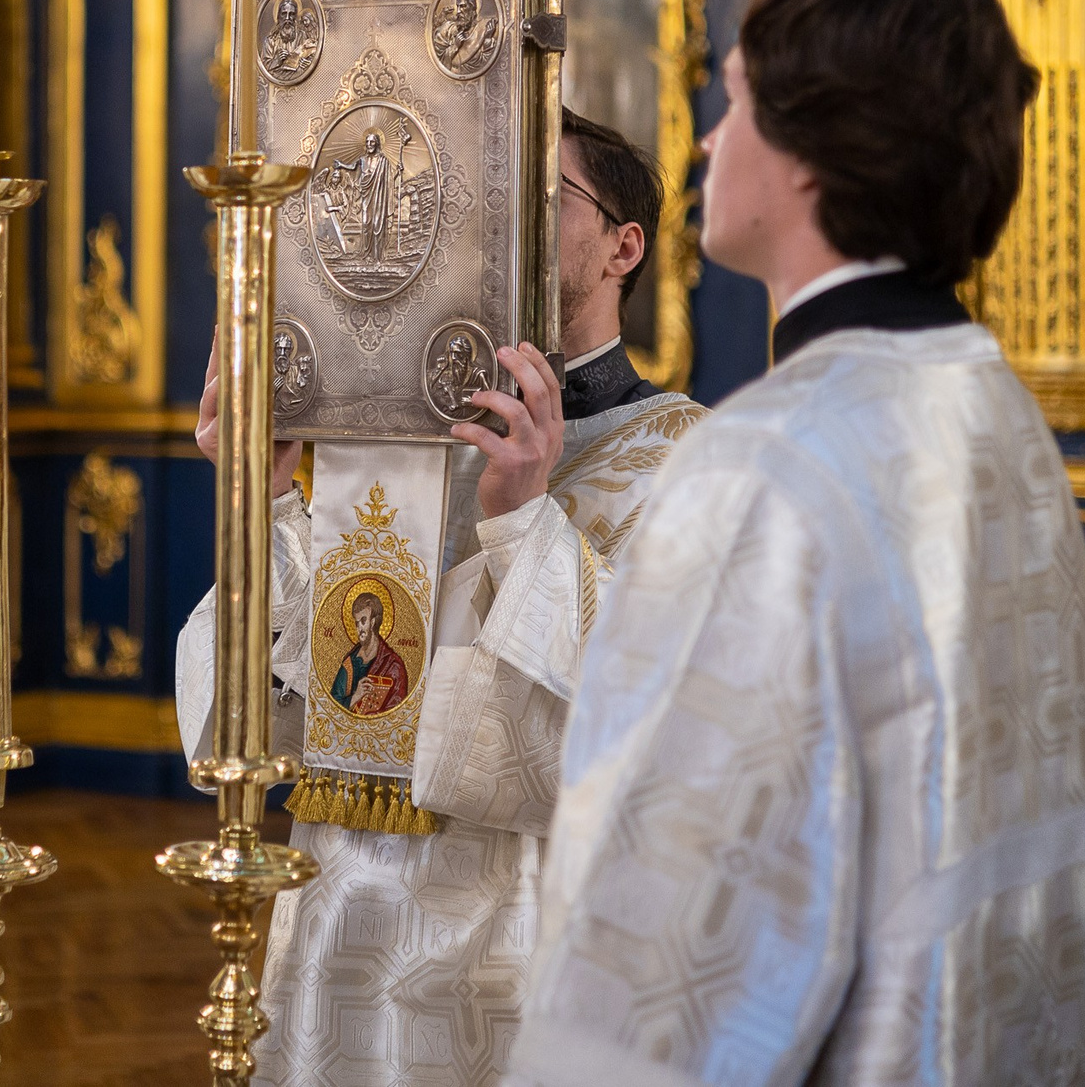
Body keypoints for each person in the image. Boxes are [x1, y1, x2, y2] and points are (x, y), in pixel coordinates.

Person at [507, 0, 1085, 1087]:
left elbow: (667, 959)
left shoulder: (765, 466)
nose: (706, 138)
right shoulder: (993, 409)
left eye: (734, 99)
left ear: (810, 150)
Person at [177, 107, 706, 1086]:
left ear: (623, 247)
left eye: (537, 200)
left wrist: (520, 521)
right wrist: (262, 499)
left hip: (522, 932)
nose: (491, 227)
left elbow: (645, 728)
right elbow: (266, 721)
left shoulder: (689, 456)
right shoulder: (384, 449)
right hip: (340, 904)